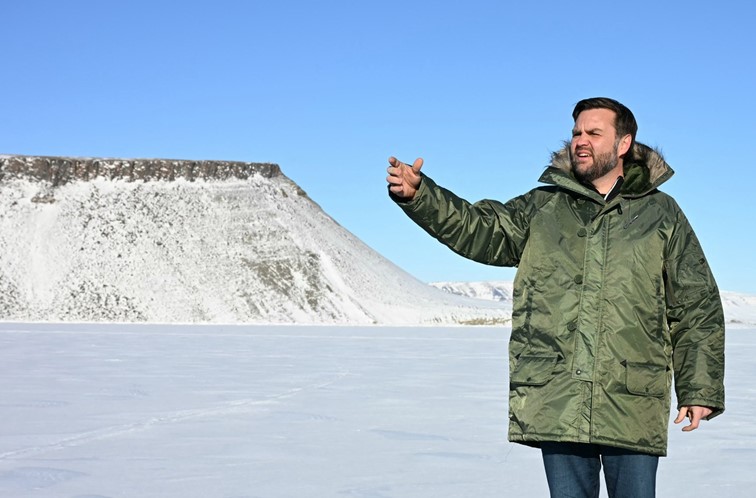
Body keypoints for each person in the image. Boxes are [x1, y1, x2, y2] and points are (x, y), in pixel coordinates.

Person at [386, 97, 725, 498]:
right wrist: (421, 196)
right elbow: (480, 230)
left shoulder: (661, 214)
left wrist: (699, 389)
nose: (581, 140)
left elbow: (696, 305)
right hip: (559, 395)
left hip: (631, 398)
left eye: (594, 132)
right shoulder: (544, 206)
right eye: (577, 132)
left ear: (623, 144)